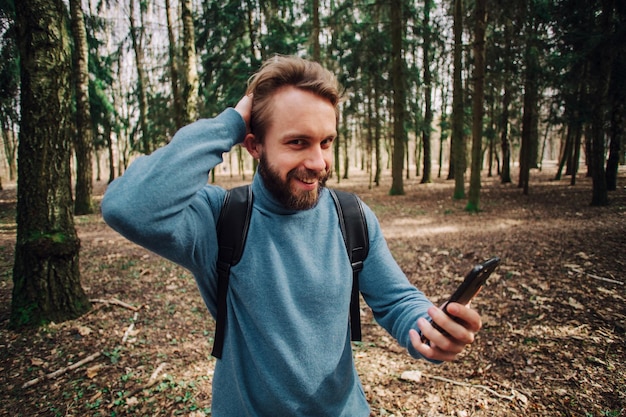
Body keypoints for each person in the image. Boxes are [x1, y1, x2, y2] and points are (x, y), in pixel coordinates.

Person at [101, 55, 482, 416]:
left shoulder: (352, 218)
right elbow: (129, 206)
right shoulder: (218, 220)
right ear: (254, 145)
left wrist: (429, 331)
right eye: (297, 142)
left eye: (326, 142)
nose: (318, 163)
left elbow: (397, 300)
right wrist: (231, 122)